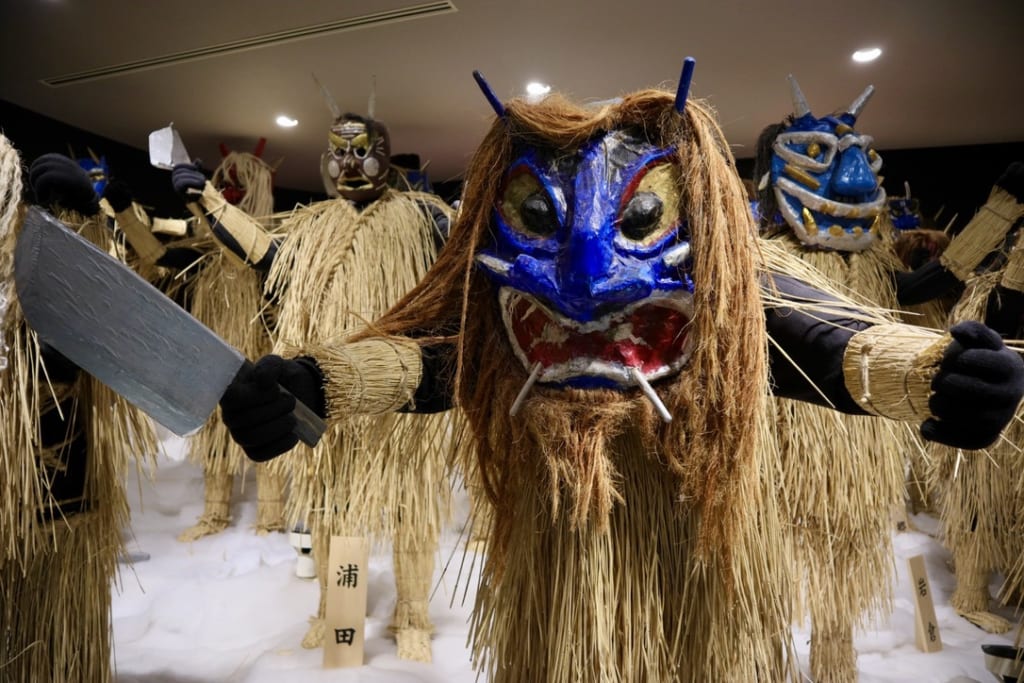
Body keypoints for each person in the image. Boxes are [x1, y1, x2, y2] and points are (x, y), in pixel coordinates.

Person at [207, 63, 1024, 681]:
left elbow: (821, 344)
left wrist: (933, 377)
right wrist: (314, 382)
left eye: (641, 216)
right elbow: (431, 359)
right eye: (536, 216)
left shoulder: (731, 281)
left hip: (699, 565)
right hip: (554, 563)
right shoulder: (499, 302)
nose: (588, 279)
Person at [753, 76, 1024, 682]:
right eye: (819, 160)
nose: (849, 182)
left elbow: (928, 283)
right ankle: (764, 662)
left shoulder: (874, 266)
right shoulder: (760, 264)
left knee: (843, 554)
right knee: (761, 560)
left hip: (856, 445)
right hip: (777, 442)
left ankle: (831, 663)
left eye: (860, 162)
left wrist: (1000, 209)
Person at [171, 103, 456, 661]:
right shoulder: (313, 227)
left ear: (384, 155)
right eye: (339, 152)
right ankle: (338, 617)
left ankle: (413, 616)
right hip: (323, 388)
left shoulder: (425, 219)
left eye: (362, 152)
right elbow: (267, 256)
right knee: (333, 511)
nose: (349, 164)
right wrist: (207, 200)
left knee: (411, 508)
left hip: (403, 394)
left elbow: (460, 272)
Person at [1, 141, 157, 682]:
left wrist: (79, 222)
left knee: (55, 614)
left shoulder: (74, 231)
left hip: (61, 466)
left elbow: (125, 296)